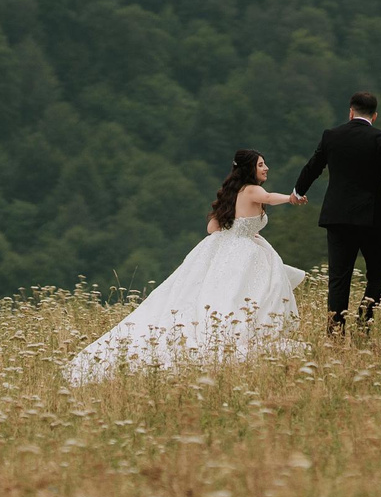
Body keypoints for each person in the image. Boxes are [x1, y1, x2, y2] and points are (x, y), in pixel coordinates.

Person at [63, 149, 309, 384]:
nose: (266, 168)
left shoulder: (231, 192)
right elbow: (268, 198)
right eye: (261, 165)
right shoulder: (253, 190)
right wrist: (290, 198)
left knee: (220, 293)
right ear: (249, 169)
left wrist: (239, 228)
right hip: (244, 251)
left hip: (227, 246)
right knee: (247, 293)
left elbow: (212, 228)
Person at [290, 90, 381, 331]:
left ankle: (335, 334)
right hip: (372, 219)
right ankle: (363, 323)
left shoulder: (331, 136)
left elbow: (313, 166)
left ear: (350, 112)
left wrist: (297, 191)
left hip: (337, 218)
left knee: (338, 279)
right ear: (374, 116)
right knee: (378, 276)